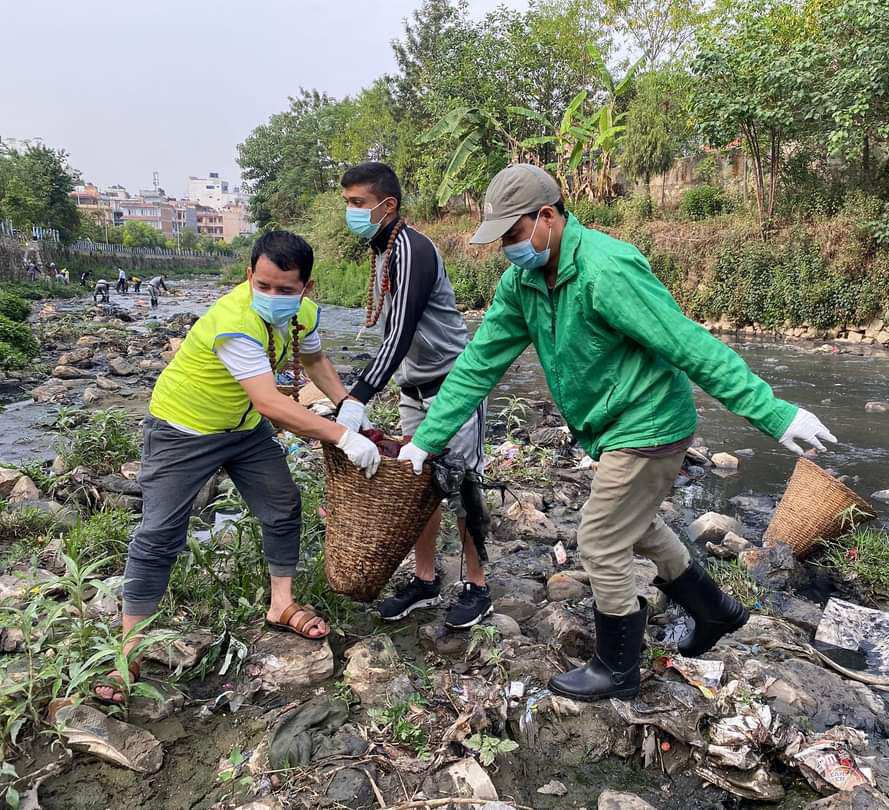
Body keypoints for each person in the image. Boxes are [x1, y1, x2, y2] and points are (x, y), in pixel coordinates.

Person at [398, 164, 837, 702]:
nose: (509, 249)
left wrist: (773, 413)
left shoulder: (609, 271)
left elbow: (688, 344)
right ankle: (716, 612)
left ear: (548, 217)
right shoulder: (524, 282)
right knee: (637, 525)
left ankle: (618, 668)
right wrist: (427, 438)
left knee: (600, 540)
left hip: (649, 424)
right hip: (607, 429)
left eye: (514, 236)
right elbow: (479, 364)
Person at [94, 230, 380, 704]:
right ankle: (130, 650)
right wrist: (341, 436)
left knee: (284, 504)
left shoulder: (305, 314)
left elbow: (314, 358)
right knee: (161, 532)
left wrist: (346, 401)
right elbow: (269, 401)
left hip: (243, 430)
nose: (272, 296)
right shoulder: (234, 320)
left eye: (285, 290)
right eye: (262, 285)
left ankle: (281, 603)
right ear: (249, 276)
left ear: (306, 288)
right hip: (183, 428)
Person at [336, 161, 492, 629]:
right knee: (415, 482)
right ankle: (425, 580)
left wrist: (358, 396)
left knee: (463, 484)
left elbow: (400, 332)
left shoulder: (413, 250)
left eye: (358, 204)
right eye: (347, 203)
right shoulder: (382, 250)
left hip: (453, 387)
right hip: (413, 387)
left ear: (388, 205)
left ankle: (478, 586)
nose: (352, 212)